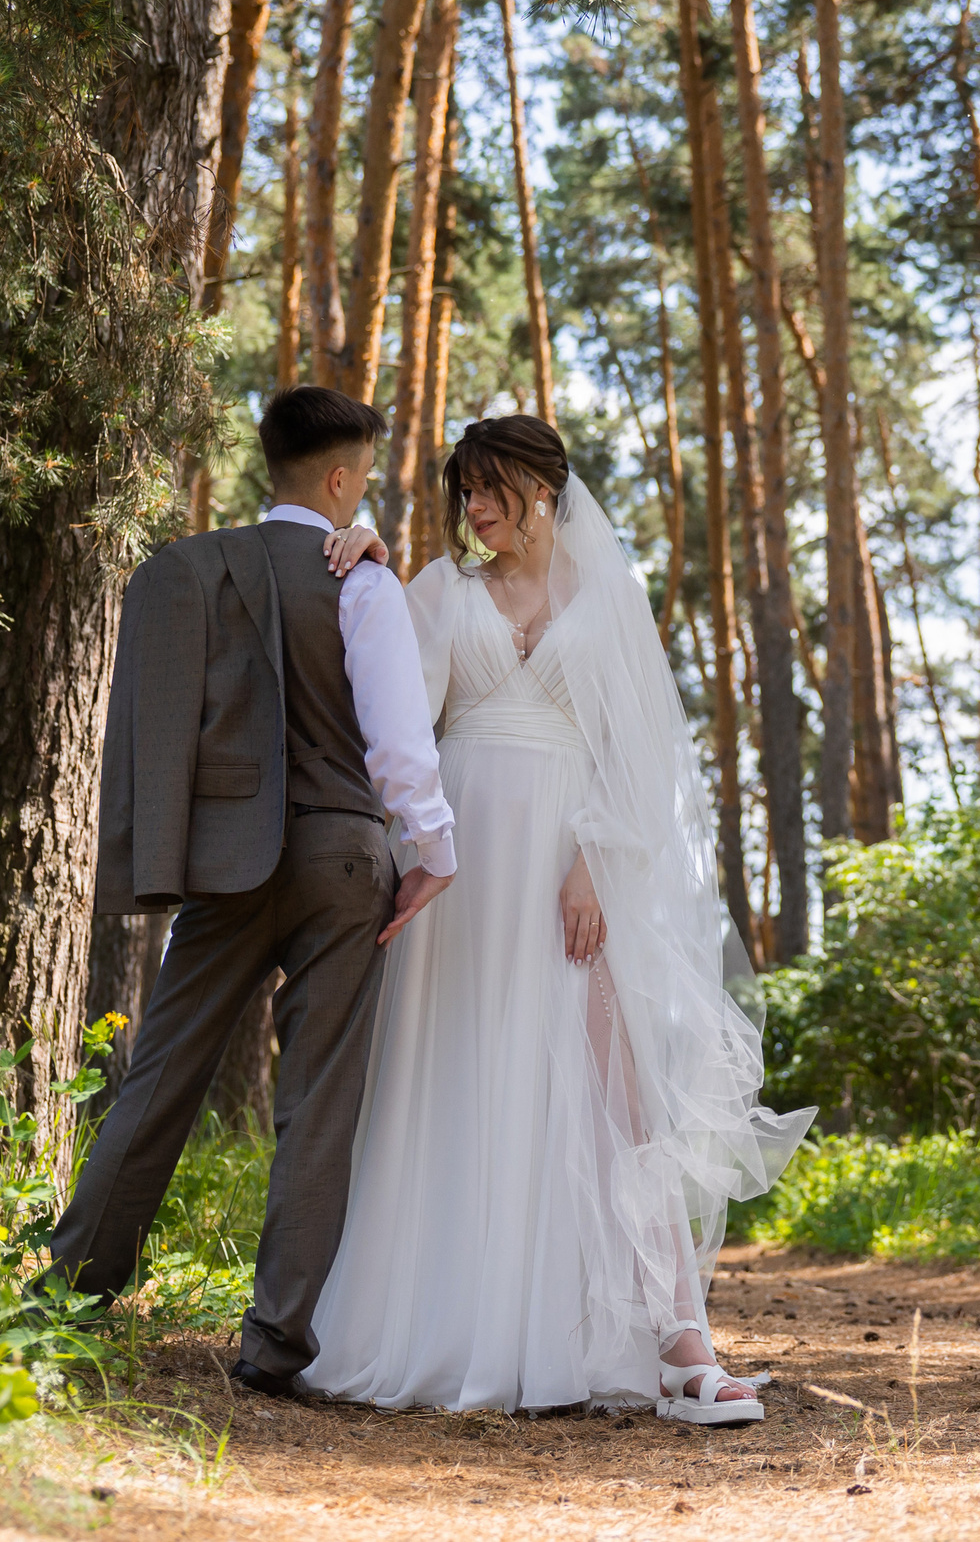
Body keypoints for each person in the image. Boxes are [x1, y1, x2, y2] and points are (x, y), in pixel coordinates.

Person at [300, 414, 813, 1422]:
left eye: (490, 487)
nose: (475, 508)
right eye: (465, 493)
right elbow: (396, 702)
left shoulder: (609, 596)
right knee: (459, 1073)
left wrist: (589, 863)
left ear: (543, 486)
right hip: (464, 862)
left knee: (610, 1089)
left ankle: (677, 1340)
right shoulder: (443, 590)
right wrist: (366, 568)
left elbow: (641, 750)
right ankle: (463, 1321)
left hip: (577, 861)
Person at [46, 386, 455, 1399]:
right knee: (317, 1105)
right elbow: (399, 743)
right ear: (338, 478)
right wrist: (434, 845)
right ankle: (273, 1345)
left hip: (226, 861)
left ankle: (62, 1298)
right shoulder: (362, 584)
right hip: (345, 861)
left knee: (160, 1079)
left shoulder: (196, 571)